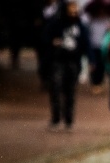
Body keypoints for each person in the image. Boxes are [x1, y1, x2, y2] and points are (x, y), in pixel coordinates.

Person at [43, 0, 88, 132]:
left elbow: (86, 43)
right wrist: (53, 42)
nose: (74, 12)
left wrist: (90, 60)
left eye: (76, 9)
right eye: (71, 9)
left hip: (73, 61)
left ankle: (68, 119)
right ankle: (56, 118)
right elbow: (45, 38)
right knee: (56, 90)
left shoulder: (80, 25)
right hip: (58, 61)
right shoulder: (55, 23)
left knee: (70, 92)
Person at [84, 2, 110, 94]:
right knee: (93, 65)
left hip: (103, 47)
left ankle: (99, 83)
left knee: (101, 65)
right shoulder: (92, 21)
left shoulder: (108, 20)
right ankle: (94, 83)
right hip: (93, 46)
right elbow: (87, 33)